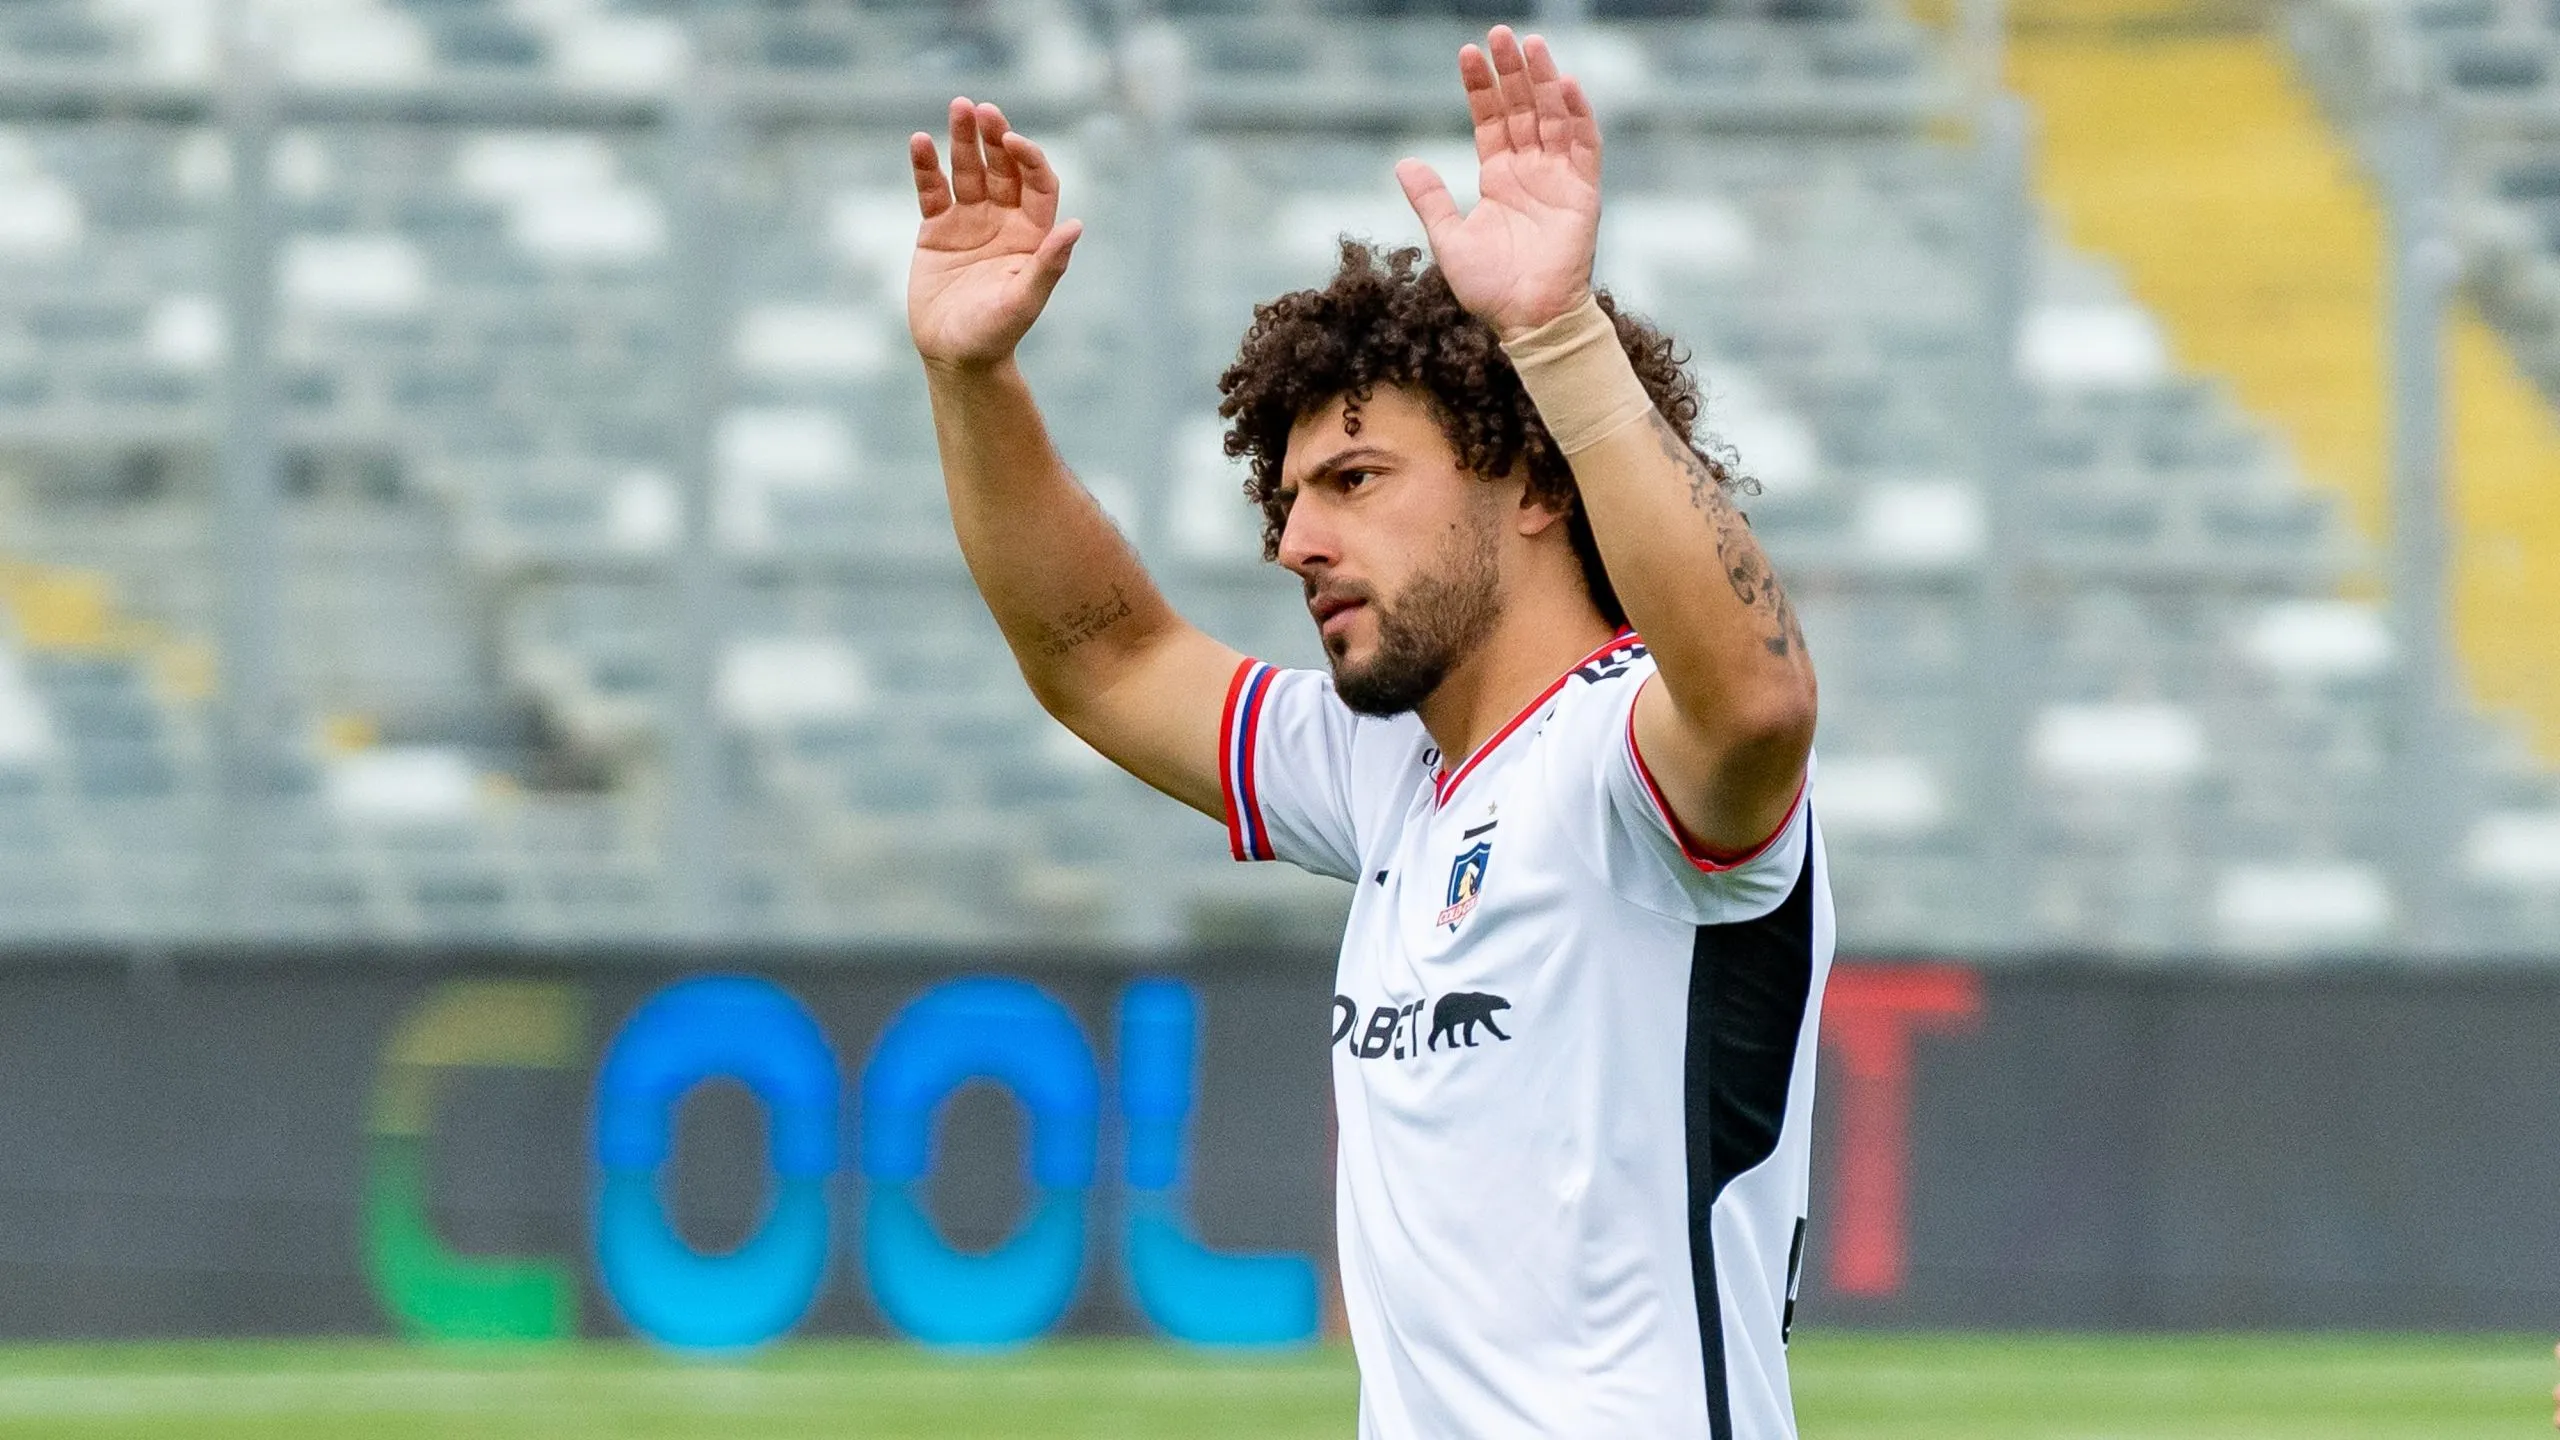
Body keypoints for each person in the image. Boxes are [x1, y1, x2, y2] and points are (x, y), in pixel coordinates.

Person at [906, 24, 1832, 1438]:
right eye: (1286, 501)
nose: (1297, 541)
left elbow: (1762, 700)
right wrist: (975, 382)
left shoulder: (1631, 768)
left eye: (1353, 478)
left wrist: (1559, 340)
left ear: (1532, 480)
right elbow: (1103, 656)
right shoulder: (1393, 771)